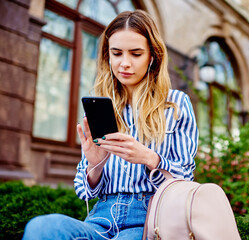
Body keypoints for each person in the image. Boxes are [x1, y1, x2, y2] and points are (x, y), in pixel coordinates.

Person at [23, 9, 198, 240]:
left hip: (150, 218)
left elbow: (186, 179)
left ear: (152, 56)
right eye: (117, 53)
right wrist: (95, 165)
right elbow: (84, 190)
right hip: (101, 218)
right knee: (41, 228)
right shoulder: (102, 106)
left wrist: (149, 158)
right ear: (108, 55)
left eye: (136, 54)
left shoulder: (175, 104)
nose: (124, 63)